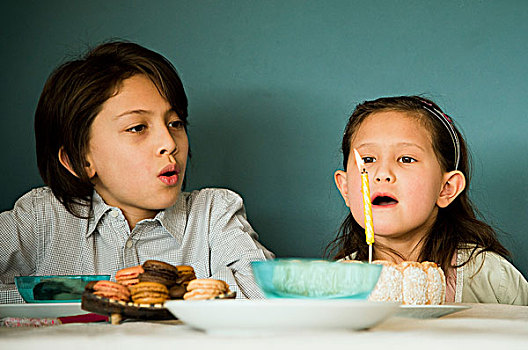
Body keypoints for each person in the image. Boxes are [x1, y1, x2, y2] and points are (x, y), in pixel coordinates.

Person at [0, 41, 274, 304]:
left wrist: (168, 289)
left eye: (175, 123)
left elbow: (268, 297)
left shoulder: (213, 214)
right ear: (79, 161)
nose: (169, 143)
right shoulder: (40, 218)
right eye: (138, 128)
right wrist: (67, 293)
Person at [327, 95, 527, 305]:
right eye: (367, 160)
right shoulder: (332, 284)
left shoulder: (491, 278)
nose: (382, 173)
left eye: (406, 159)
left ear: (446, 188)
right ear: (346, 188)